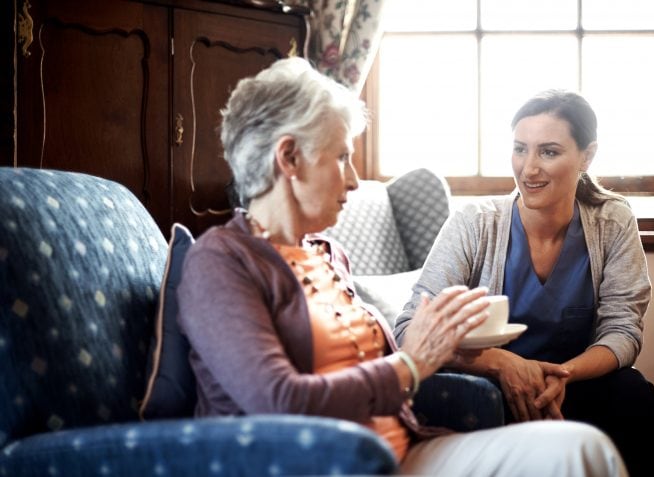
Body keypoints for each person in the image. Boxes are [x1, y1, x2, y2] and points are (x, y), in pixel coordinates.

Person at [176, 59, 627, 476]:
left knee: (580, 447)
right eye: (341, 157)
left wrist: (461, 350)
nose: (354, 178)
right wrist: (413, 364)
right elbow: (279, 399)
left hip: (401, 451)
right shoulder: (222, 262)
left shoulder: (327, 255)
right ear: (289, 158)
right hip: (317, 462)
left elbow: (394, 362)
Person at [394, 89, 654, 477]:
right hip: (488, 387)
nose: (529, 168)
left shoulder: (613, 221)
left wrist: (561, 375)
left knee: (633, 395)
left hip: (570, 384)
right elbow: (409, 331)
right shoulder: (474, 224)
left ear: (586, 156)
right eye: (521, 149)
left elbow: (623, 331)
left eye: (548, 152)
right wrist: (501, 364)